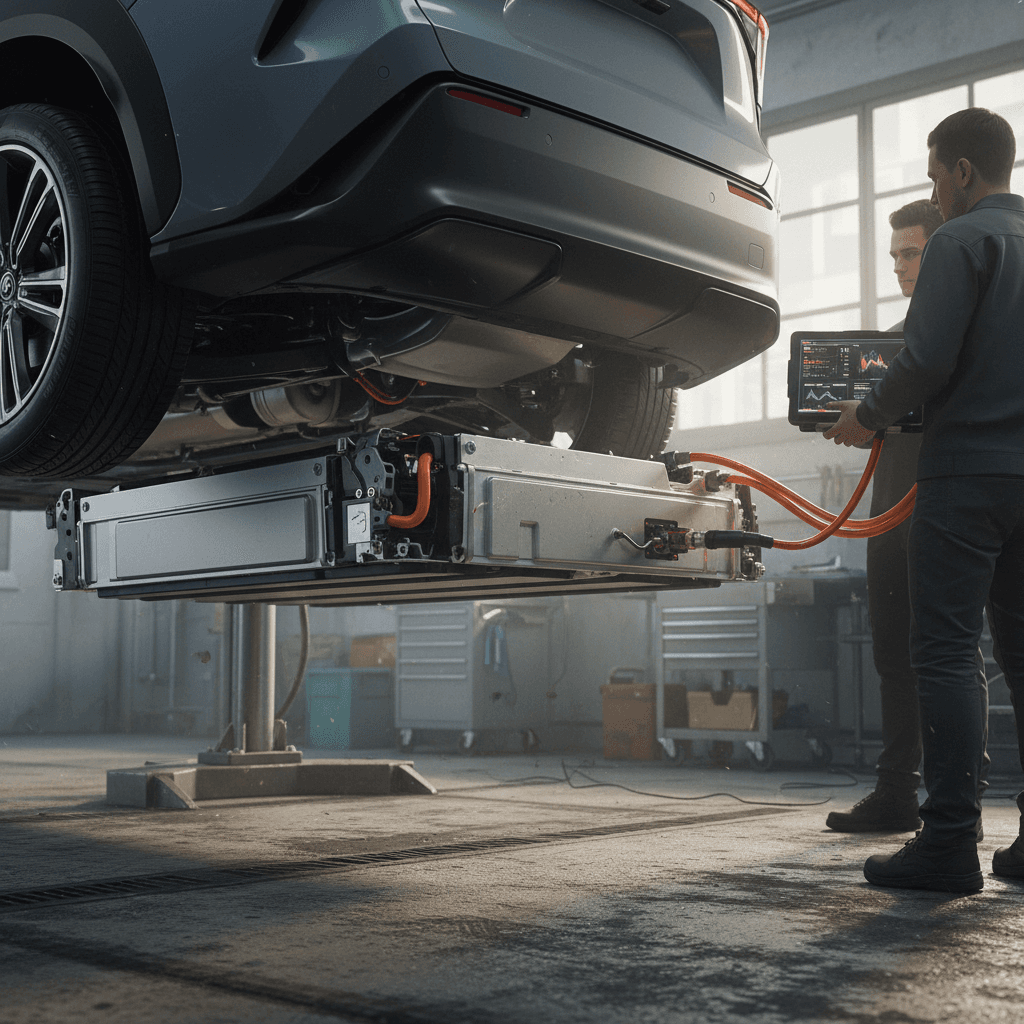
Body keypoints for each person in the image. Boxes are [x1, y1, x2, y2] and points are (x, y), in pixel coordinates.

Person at [823, 107, 1023, 893]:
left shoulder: (961, 240)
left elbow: (926, 356)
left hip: (966, 477)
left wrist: (863, 415)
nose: (934, 191)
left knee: (943, 654)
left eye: (936, 174)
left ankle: (948, 844)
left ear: (963, 171)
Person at [825, 199, 965, 835]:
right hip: (889, 519)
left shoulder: (957, 341)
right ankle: (898, 794)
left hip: (944, 513)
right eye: (895, 257)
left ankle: (953, 802)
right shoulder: (881, 351)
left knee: (947, 657)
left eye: (913, 253)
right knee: (894, 654)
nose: (901, 267)